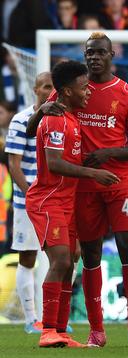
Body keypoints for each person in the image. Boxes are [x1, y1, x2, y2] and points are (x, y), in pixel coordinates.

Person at [27, 32, 128, 348]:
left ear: (112, 55)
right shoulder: (67, 91)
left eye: (100, 52)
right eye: (89, 53)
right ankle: (96, 329)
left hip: (119, 181)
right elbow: (36, 127)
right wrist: (41, 110)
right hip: (80, 186)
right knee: (89, 254)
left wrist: (110, 154)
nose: (94, 57)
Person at [26, 60, 118, 348]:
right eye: (83, 88)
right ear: (66, 92)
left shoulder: (70, 115)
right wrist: (94, 173)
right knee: (61, 260)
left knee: (71, 260)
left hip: (67, 201)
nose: (88, 92)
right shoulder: (55, 118)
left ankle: (61, 331)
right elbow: (54, 163)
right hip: (48, 199)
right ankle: (47, 330)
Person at [5, 72, 53, 334]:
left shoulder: (62, 119)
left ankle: (51, 318)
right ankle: (30, 319)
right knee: (28, 257)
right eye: (46, 86)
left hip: (55, 200)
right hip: (28, 202)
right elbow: (14, 163)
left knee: (57, 257)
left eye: (54, 87)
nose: (50, 91)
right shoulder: (21, 120)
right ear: (35, 89)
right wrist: (30, 194)